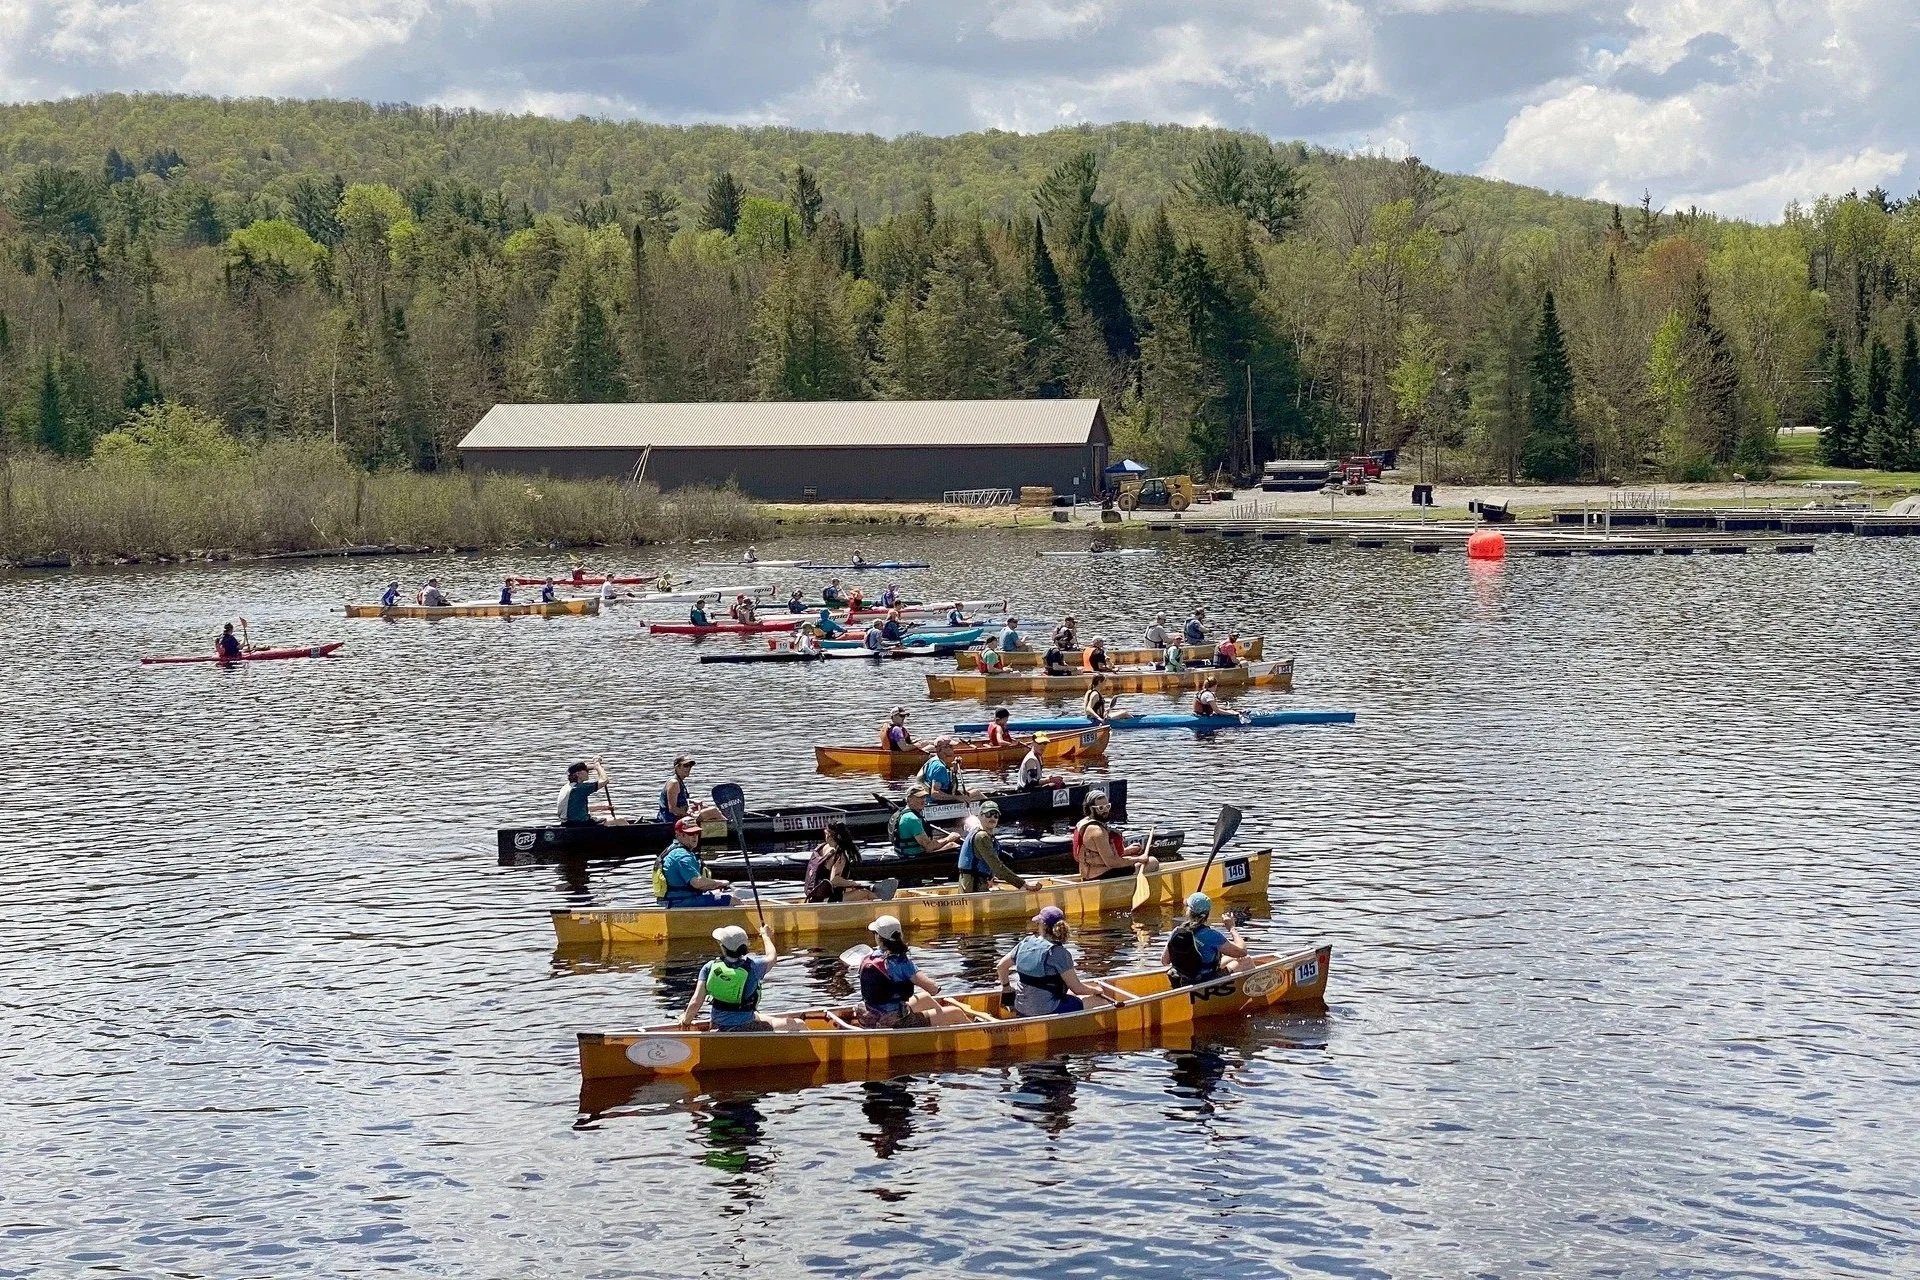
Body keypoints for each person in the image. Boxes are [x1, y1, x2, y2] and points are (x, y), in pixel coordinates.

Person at [998, 906, 1116, 1017]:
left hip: (1020, 1007)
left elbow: (1001, 966)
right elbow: (1077, 989)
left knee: (1069, 994)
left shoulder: (1025, 943)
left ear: (1042, 926)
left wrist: (1006, 987)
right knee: (1101, 1002)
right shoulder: (1059, 953)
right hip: (1046, 1010)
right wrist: (1096, 990)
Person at [680, 924, 799, 1033]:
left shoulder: (709, 967)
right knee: (798, 1024)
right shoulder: (754, 966)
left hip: (718, 1025)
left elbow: (696, 1001)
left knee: (762, 1017)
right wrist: (766, 936)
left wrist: (686, 1022)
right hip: (746, 1027)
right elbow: (772, 957)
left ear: (723, 947)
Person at [851, 916, 959, 1029]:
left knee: (925, 998)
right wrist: (935, 986)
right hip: (896, 1021)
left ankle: (938, 1027)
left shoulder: (867, 959)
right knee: (956, 1012)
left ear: (878, 937)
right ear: (900, 936)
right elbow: (932, 989)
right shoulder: (902, 962)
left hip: (870, 1016)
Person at [1162, 893, 1252, 985]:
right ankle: (1251, 991)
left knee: (1229, 958)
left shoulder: (1176, 931)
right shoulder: (1211, 935)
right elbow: (1242, 952)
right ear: (1207, 914)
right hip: (1205, 980)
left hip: (1182, 980)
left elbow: (1165, 961)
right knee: (1246, 960)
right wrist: (1231, 928)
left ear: (1188, 910)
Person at [1073, 789, 1157, 881]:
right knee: (1153, 862)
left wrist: (1126, 851)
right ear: (1091, 809)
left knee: (1134, 856)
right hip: (1100, 875)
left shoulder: (1085, 822)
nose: (1105, 811)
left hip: (1092, 872)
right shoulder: (1098, 832)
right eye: (1101, 808)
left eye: (1107, 806)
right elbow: (1112, 863)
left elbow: (1100, 854)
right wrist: (1139, 859)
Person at [656, 816, 734, 908]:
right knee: (732, 900)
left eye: (697, 833)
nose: (695, 836)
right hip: (681, 902)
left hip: (676, 900)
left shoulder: (675, 850)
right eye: (690, 833)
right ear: (679, 835)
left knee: (719, 893)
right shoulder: (682, 856)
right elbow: (697, 882)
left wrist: (715, 886)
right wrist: (720, 883)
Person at [957, 802, 1027, 892]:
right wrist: (1022, 884)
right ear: (980, 816)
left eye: (996, 815)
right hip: (974, 885)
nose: (992, 818)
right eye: (988, 814)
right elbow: (997, 866)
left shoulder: (984, 834)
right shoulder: (982, 836)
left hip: (978, 882)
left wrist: (990, 876)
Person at [804, 822, 879, 903]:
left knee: (851, 889)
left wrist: (850, 885)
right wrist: (853, 883)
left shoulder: (821, 847)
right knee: (866, 894)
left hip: (813, 896)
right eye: (826, 834)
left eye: (828, 834)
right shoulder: (839, 855)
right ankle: (884, 905)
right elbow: (835, 880)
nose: (827, 838)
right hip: (826, 899)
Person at [890, 785, 961, 858]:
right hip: (913, 856)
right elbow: (929, 847)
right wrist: (948, 838)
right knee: (954, 845)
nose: (924, 800)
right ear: (909, 799)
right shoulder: (912, 819)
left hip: (902, 852)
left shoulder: (903, 813)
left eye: (924, 797)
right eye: (920, 797)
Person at [557, 760, 611, 826]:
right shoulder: (579, 788)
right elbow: (605, 780)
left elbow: (576, 809)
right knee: (620, 821)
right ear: (578, 774)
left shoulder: (566, 787)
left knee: (607, 819)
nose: (588, 772)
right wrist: (598, 765)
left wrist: (602, 808)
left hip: (567, 823)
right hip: (580, 824)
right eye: (586, 770)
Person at [915, 738, 967, 803]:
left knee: (971, 790)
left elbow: (944, 782)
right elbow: (935, 794)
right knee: (976, 793)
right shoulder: (940, 767)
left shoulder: (935, 760)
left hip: (926, 798)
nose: (953, 749)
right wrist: (957, 797)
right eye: (951, 747)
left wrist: (954, 770)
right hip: (933, 801)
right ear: (942, 749)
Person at [656, 754, 700, 824]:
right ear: (677, 767)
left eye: (690, 766)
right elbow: (672, 809)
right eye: (685, 766)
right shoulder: (674, 783)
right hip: (670, 820)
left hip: (679, 817)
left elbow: (679, 799)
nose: (688, 768)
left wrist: (692, 802)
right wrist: (691, 814)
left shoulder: (680, 781)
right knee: (711, 811)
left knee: (704, 806)